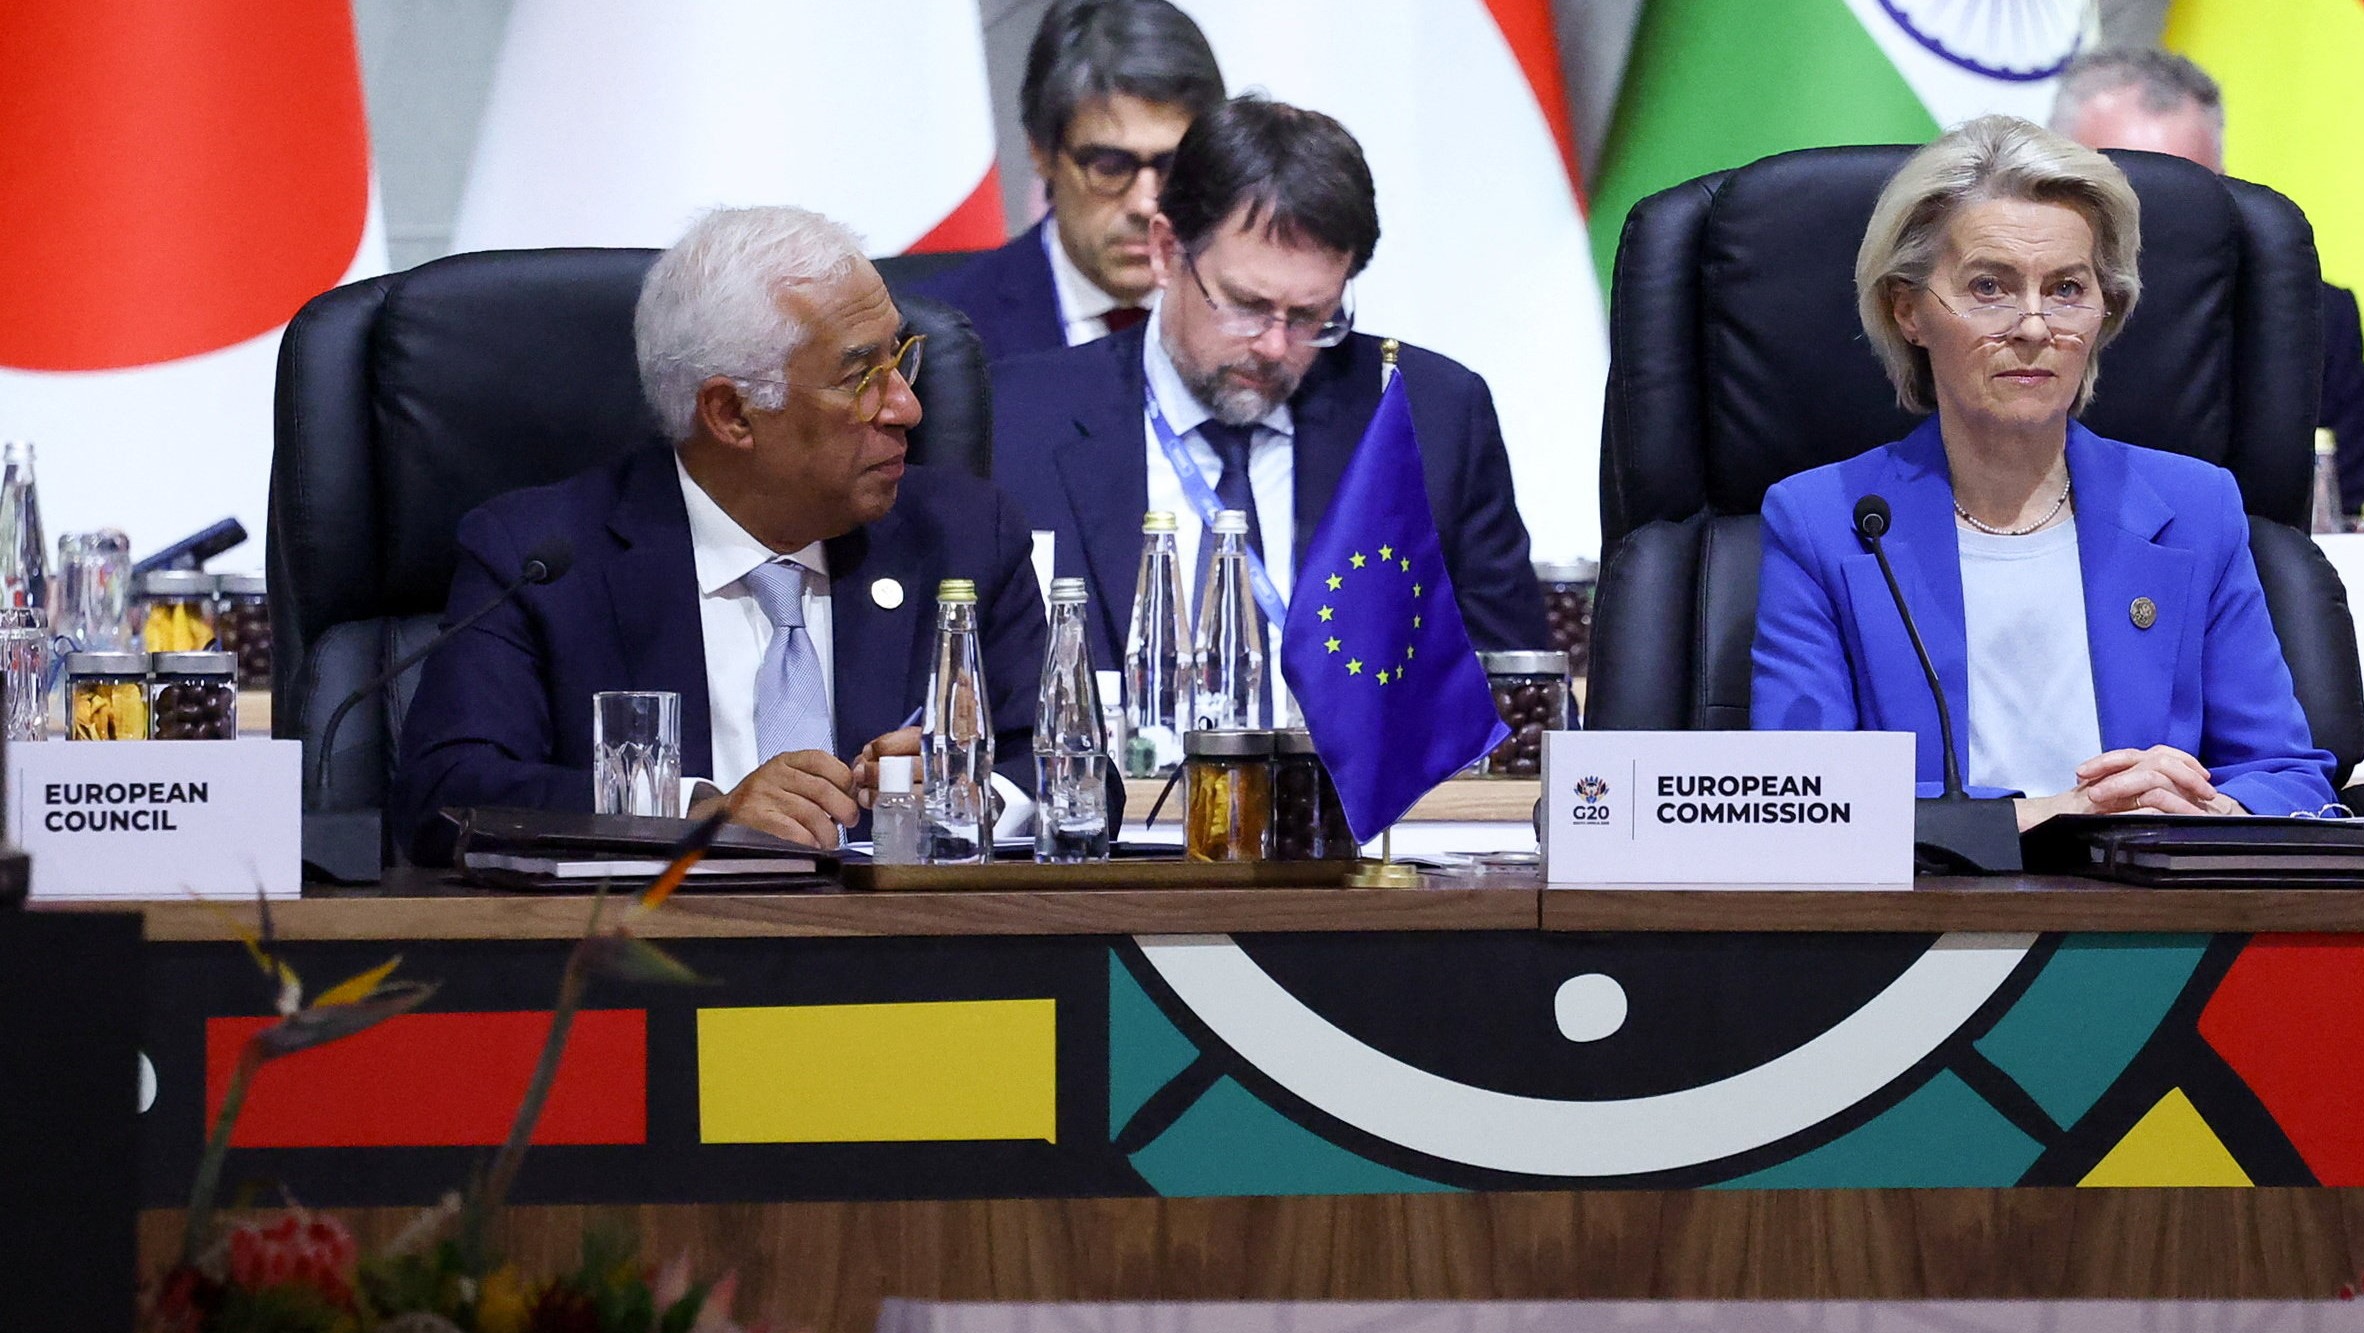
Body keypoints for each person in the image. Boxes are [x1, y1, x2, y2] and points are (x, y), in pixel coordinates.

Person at [396, 206, 1048, 855]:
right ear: (732, 413)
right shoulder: (543, 561)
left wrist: (973, 793)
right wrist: (698, 814)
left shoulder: (963, 535)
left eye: (899, 358)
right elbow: (446, 795)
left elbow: (1061, 766)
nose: (906, 406)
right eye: (861, 378)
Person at [1752, 117, 2337, 822]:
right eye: (1989, 286)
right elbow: (1802, 800)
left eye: (2065, 289)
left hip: (2149, 888)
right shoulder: (1824, 521)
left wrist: (2210, 814)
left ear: (2105, 311)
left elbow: (2286, 776)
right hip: (1932, 894)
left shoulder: (2195, 507)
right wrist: (2055, 816)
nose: (2033, 327)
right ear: (1907, 310)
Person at [990, 95, 1549, 670]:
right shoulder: (1015, 424)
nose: (1275, 346)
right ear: (1164, 251)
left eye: (1310, 316)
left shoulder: (1432, 418)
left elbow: (1514, 688)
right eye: (1246, 306)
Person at [2051, 47, 2364, 516]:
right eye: (2121, 194)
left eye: (2182, 196)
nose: (2148, 227)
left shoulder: (2303, 321)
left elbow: (2353, 515)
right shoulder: (1998, 318)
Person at [914, 0, 1224, 359]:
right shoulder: (940, 335)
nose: (1146, 204)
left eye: (1174, 166)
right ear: (1041, 152)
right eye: (1110, 166)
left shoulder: (1263, 318)